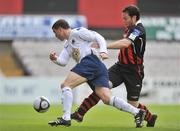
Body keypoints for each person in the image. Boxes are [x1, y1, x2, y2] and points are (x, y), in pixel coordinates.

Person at [48, 19, 146, 128]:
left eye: (55, 32)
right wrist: (55, 59)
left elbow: (99, 37)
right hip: (98, 67)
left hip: (90, 61)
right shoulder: (67, 45)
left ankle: (66, 118)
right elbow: (63, 61)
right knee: (107, 99)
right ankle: (137, 112)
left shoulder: (78, 32)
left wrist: (103, 51)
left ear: (60, 29)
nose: (55, 35)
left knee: (65, 85)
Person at [71, 5, 157, 127]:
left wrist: (104, 46)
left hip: (134, 71)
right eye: (123, 18)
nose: (124, 21)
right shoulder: (129, 28)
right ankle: (80, 114)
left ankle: (150, 117)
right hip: (119, 67)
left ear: (134, 17)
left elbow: (125, 44)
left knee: (132, 105)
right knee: (101, 88)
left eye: (126, 18)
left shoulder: (138, 29)